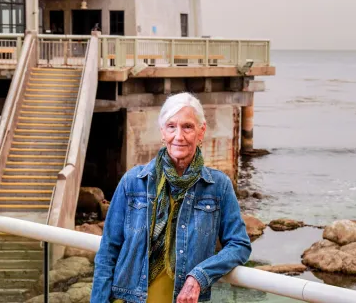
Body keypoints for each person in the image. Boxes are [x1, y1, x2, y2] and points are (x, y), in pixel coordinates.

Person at [91, 92, 252, 303]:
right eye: (171, 126)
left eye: (188, 126)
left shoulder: (218, 187)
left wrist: (199, 276)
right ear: (162, 132)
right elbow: (108, 252)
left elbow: (239, 245)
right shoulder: (133, 182)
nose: (179, 136)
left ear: (201, 131)